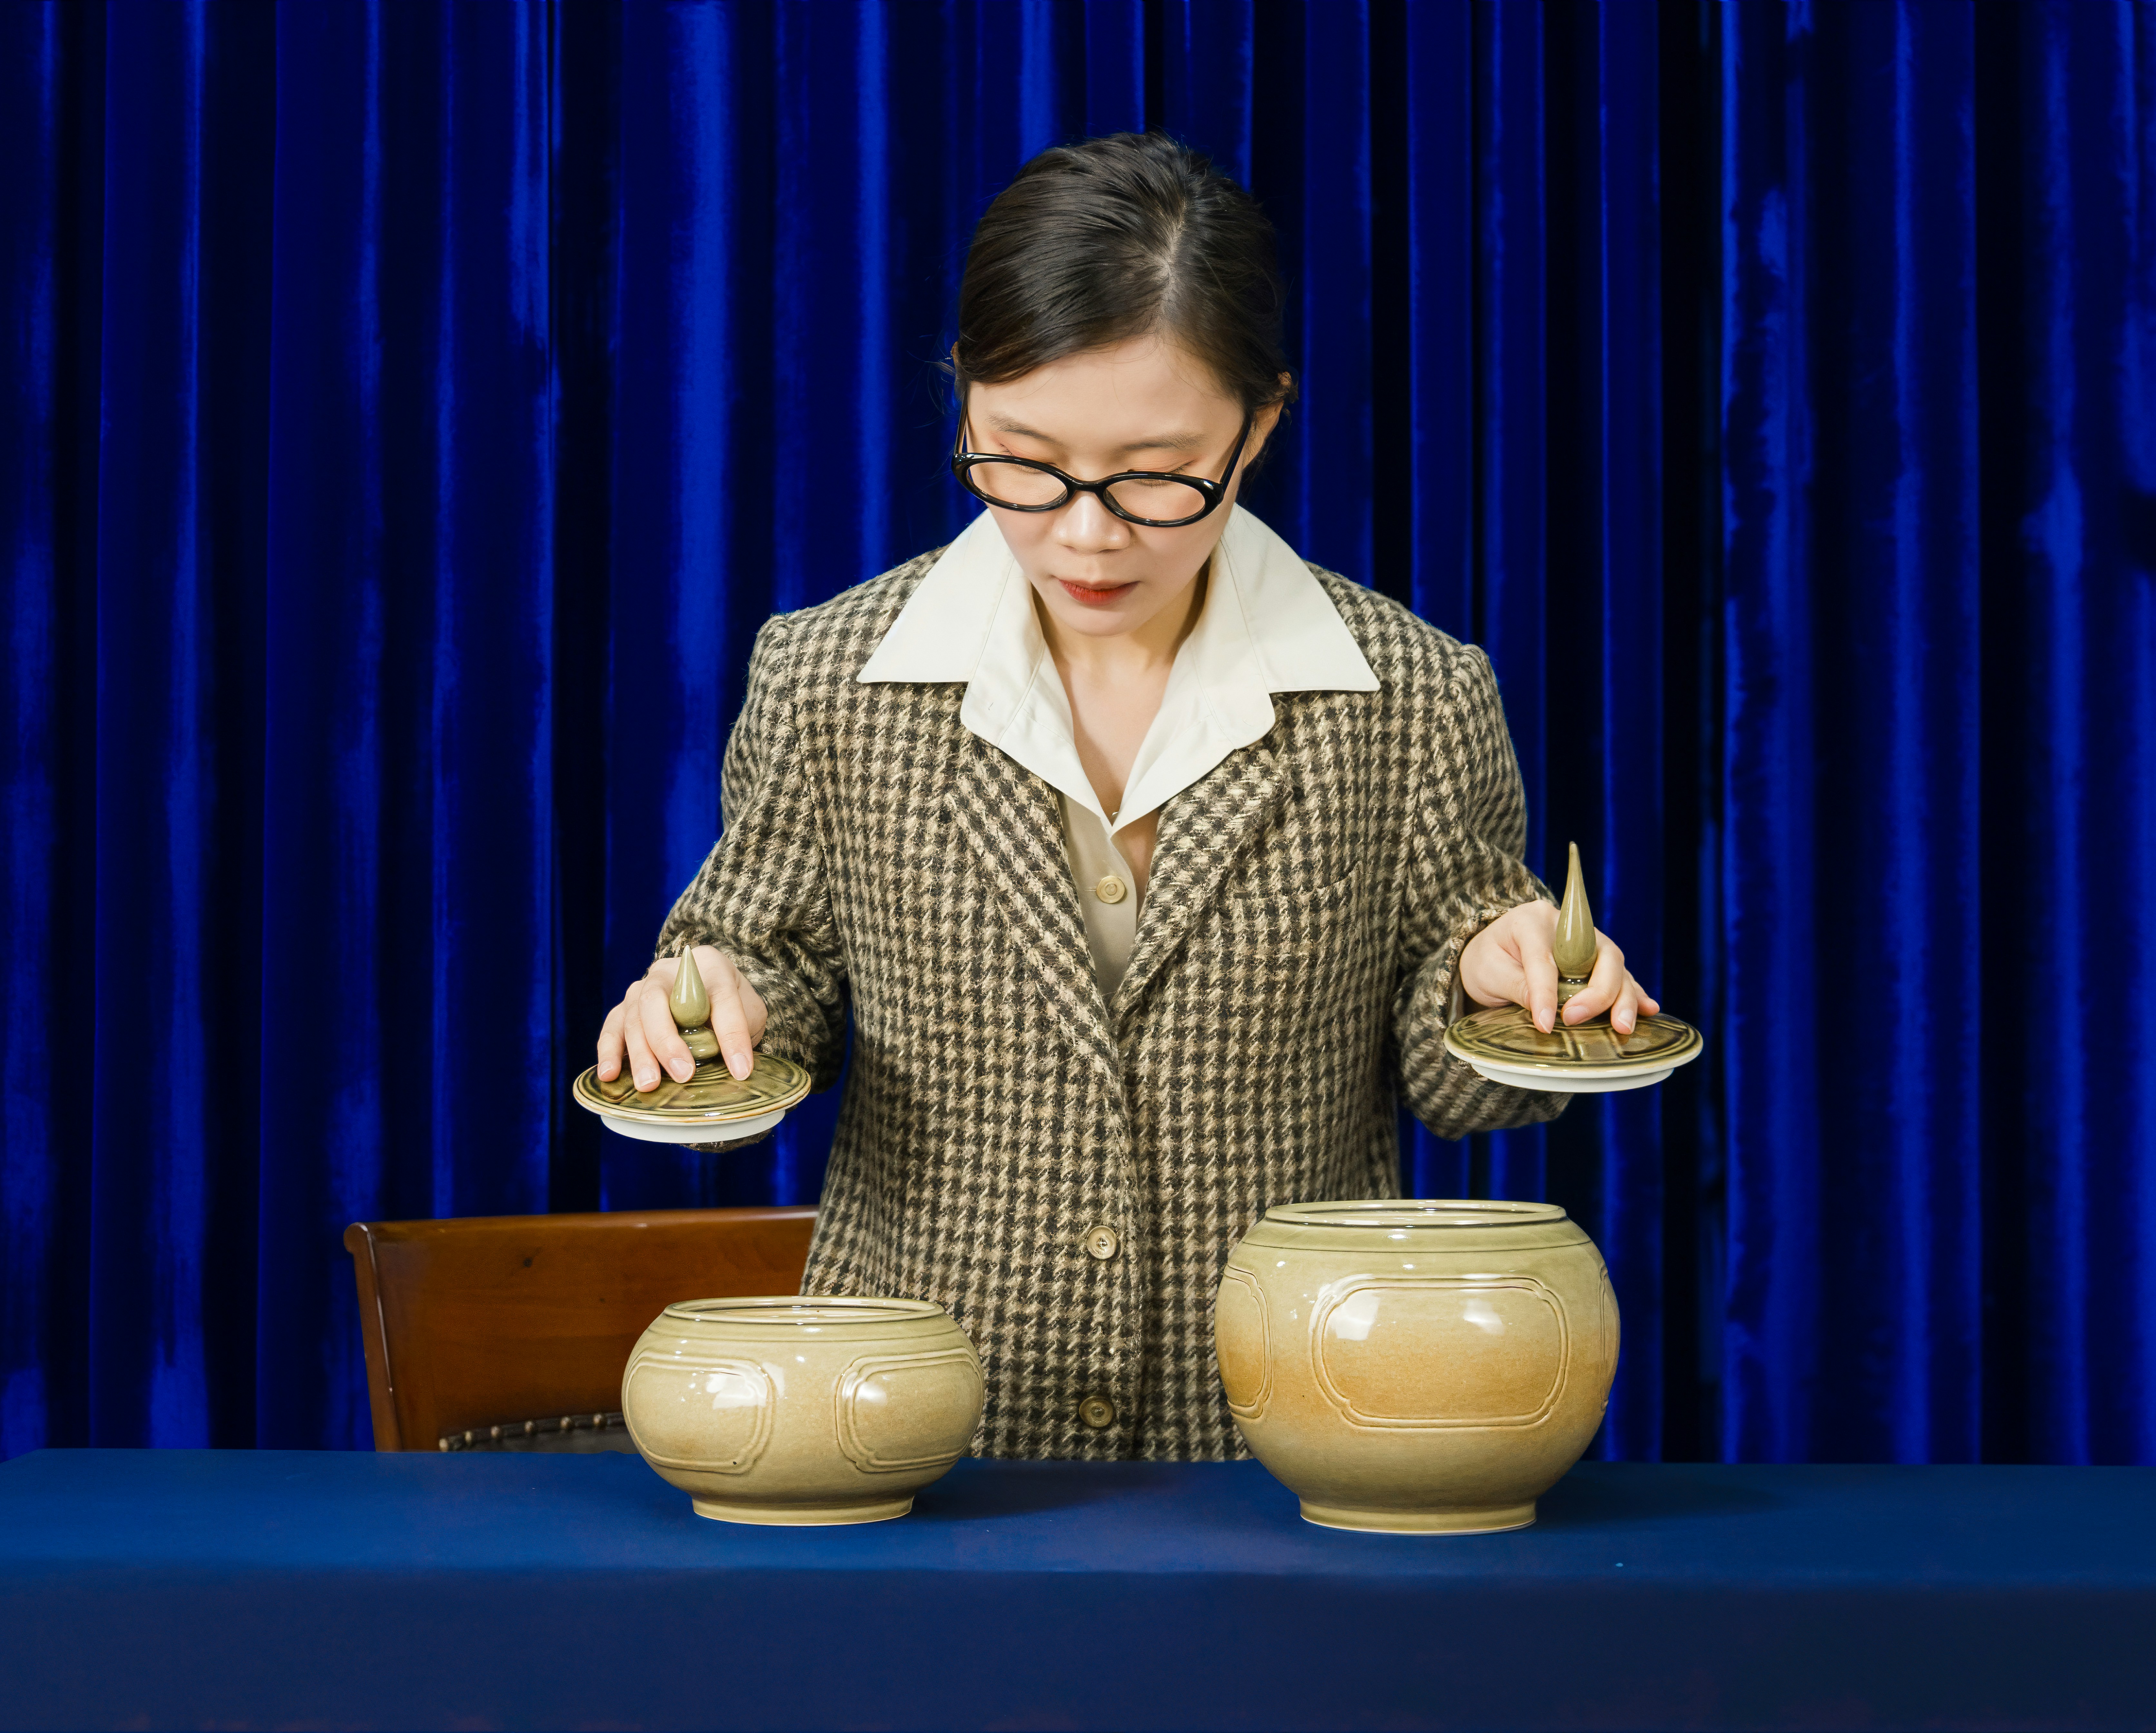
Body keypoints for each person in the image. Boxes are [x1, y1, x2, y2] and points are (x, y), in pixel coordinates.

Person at [595, 133, 1656, 1462]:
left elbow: (1461, 1078)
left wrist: (1506, 988)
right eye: (1024, 462)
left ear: (1261, 423)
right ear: (964, 398)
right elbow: (765, 966)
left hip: (1290, 1442)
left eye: (1156, 475)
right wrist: (704, 1007)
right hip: (913, 1443)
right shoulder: (830, 677)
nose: (1086, 534)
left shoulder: (1410, 694)